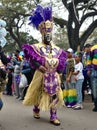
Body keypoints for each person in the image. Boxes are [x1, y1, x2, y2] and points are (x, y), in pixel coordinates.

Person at [22, 5, 67, 125]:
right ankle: (36, 108)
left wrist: (61, 73)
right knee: (38, 92)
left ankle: (53, 116)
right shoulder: (36, 47)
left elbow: (62, 63)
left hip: (54, 75)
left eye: (49, 34)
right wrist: (38, 66)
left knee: (55, 94)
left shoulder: (57, 49)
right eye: (46, 34)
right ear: (42, 33)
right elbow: (32, 59)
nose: (48, 36)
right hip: (41, 74)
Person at [85, 43, 97, 112]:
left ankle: (96, 106)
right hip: (94, 70)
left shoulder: (93, 49)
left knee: (94, 89)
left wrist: (89, 69)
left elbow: (89, 61)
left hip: (94, 70)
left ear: (89, 47)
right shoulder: (93, 49)